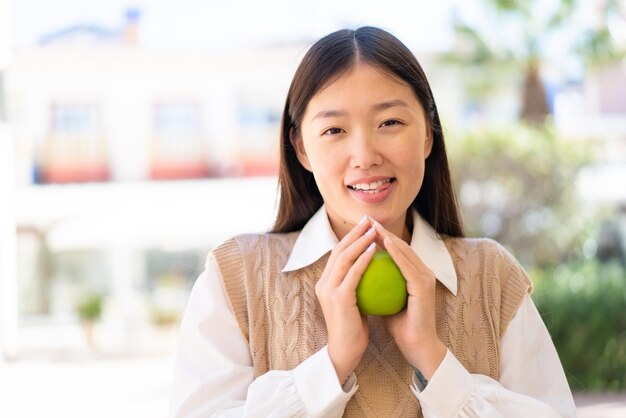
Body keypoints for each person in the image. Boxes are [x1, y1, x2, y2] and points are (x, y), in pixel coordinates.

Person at [169, 26, 577, 418]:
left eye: (390, 123)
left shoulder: (492, 277)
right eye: (334, 129)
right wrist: (331, 364)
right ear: (301, 149)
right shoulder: (236, 277)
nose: (365, 155)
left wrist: (434, 360)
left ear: (428, 136)